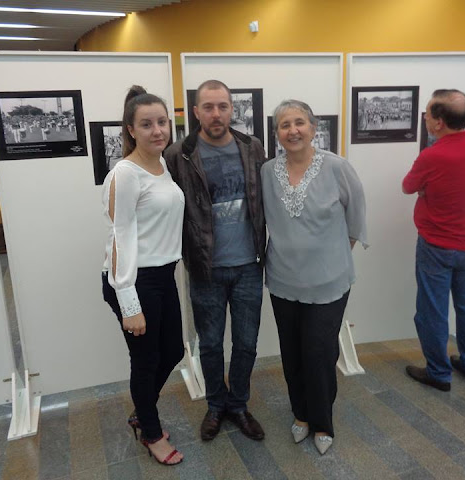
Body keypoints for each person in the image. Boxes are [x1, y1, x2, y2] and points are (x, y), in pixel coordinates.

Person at [261, 100, 367, 455]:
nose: (293, 130)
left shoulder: (337, 167)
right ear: (277, 133)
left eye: (299, 123)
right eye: (284, 125)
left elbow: (356, 217)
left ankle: (322, 421)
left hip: (328, 282)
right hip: (282, 280)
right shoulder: (267, 172)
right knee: (291, 351)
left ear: (313, 127)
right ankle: (301, 414)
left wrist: (333, 256)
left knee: (319, 352)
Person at [164, 80, 267, 442]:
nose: (216, 114)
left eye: (223, 106)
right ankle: (215, 405)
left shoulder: (252, 147)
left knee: (246, 343)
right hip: (204, 267)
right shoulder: (178, 154)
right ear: (196, 112)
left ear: (232, 108)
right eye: (208, 107)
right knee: (209, 344)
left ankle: (238, 405)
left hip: (249, 265)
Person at [101, 85, 185, 465]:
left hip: (163, 275)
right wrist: (129, 302)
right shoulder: (125, 172)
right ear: (131, 129)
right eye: (147, 124)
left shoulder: (162, 165)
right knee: (147, 360)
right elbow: (119, 237)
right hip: (134, 279)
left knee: (174, 350)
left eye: (162, 122)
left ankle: (143, 410)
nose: (157, 130)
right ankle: (150, 431)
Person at [402, 89, 465, 392]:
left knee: (432, 312)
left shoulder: (432, 155)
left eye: (427, 114)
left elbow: (408, 186)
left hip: (436, 246)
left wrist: (426, 190)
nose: (425, 118)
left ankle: (439, 373)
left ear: (439, 122)